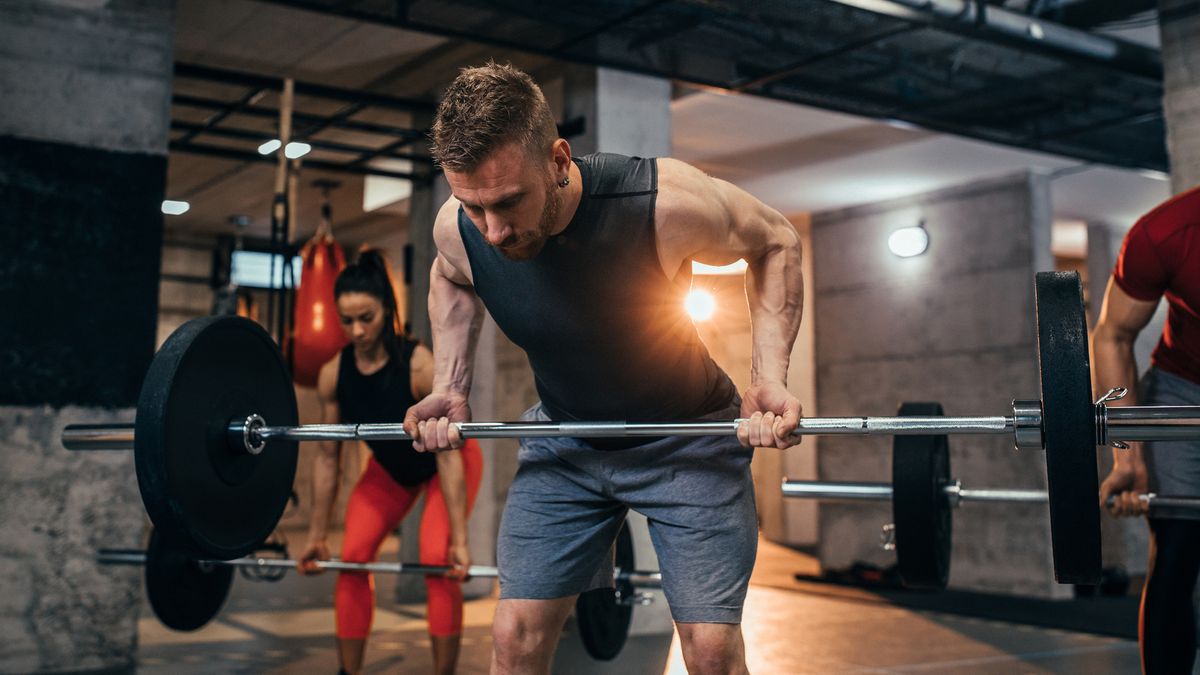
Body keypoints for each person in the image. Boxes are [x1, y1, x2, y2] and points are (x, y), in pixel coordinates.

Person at [402, 62, 804, 675]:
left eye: (509, 203)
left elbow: (775, 240)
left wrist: (768, 376)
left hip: (687, 437)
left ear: (559, 160)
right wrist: (449, 387)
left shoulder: (663, 202)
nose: (495, 231)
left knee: (711, 650)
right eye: (474, 207)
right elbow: (450, 276)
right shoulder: (459, 231)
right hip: (567, 442)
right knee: (513, 637)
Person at [298, 249, 484, 675]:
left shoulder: (417, 365)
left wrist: (460, 539)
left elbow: (448, 454)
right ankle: (349, 671)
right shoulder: (333, 374)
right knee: (353, 556)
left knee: (439, 561)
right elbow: (328, 457)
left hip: (447, 462)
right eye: (347, 321)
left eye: (367, 317)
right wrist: (315, 533)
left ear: (387, 308)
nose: (357, 330)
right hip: (391, 472)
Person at [1095, 185, 1200, 675]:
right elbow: (1113, 335)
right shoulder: (1165, 233)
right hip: (1184, 388)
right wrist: (1128, 457)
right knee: (1178, 547)